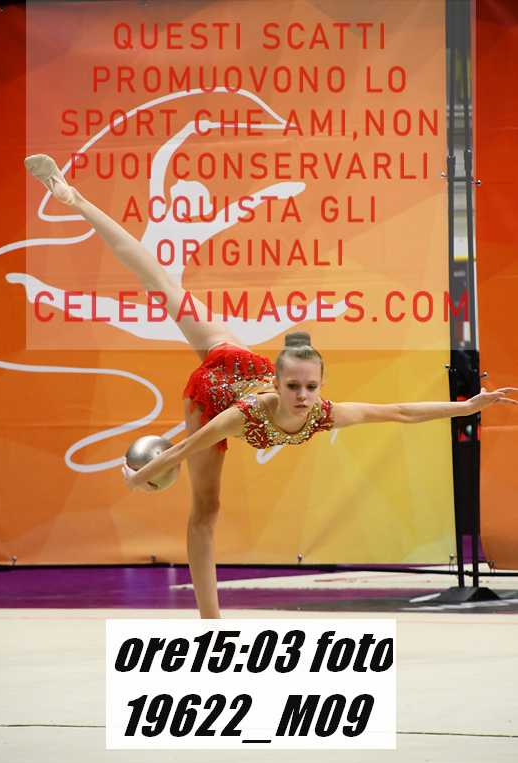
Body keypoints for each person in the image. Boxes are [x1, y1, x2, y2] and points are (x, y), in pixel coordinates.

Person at [25, 154, 518, 619]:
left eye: (310, 387)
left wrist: (466, 406)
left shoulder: (322, 413)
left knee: (166, 287)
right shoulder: (246, 413)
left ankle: (72, 197)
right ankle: (74, 197)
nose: (303, 397)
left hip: (237, 360)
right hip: (212, 389)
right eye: (294, 387)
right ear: (278, 385)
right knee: (205, 509)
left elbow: (399, 411)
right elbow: (184, 447)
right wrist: (141, 477)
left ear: (318, 385)